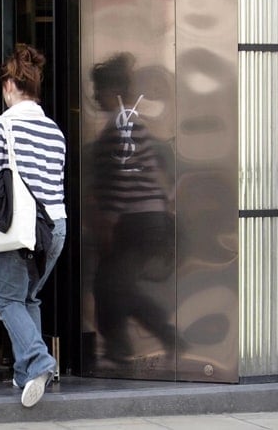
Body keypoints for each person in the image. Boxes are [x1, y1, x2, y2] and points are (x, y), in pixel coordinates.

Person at [0, 44, 67, 408]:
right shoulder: (55, 131)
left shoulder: (2, 127)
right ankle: (25, 375)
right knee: (27, 298)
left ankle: (39, 362)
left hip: (19, 229)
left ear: (9, 84)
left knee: (6, 301)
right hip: (55, 227)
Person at [90, 52, 178, 365]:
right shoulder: (130, 125)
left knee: (113, 285)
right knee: (113, 284)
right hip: (144, 218)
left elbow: (122, 178)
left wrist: (109, 221)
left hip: (136, 220)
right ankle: (123, 344)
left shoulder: (122, 127)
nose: (94, 97)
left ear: (111, 92)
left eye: (98, 90)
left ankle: (136, 343)